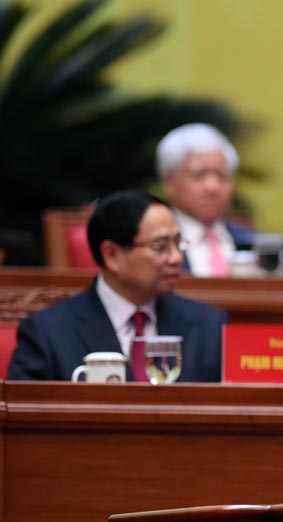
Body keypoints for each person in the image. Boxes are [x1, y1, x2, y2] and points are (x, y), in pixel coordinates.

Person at [8, 190, 227, 382]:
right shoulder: (48, 333)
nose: (176, 257)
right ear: (111, 255)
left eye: (178, 243)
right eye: (160, 247)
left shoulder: (208, 326)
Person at [156, 123, 255, 277]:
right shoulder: (153, 246)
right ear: (169, 182)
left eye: (222, 175)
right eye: (198, 175)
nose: (212, 187)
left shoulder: (253, 242)